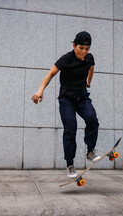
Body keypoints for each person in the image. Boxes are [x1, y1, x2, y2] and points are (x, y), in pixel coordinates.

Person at [31, 31, 100, 178]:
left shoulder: (89, 58)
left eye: (87, 49)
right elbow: (50, 74)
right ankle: (70, 164)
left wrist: (88, 83)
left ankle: (90, 151)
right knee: (71, 128)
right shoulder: (66, 59)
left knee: (92, 119)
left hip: (81, 97)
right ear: (74, 45)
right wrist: (40, 90)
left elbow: (92, 69)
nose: (84, 52)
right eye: (81, 48)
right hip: (66, 99)